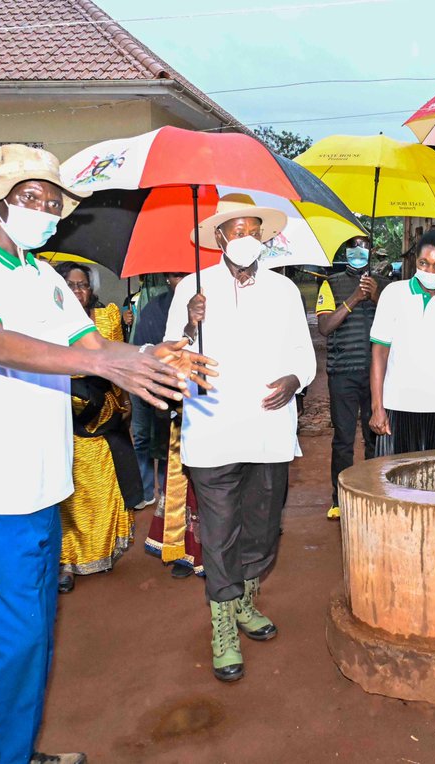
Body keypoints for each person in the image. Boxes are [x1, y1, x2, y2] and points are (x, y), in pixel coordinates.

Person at [0, 144, 215, 763]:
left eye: (54, 203)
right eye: (33, 198)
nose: (47, 211)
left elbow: (92, 340)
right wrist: (106, 361)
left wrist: (152, 353)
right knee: (12, 644)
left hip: (43, 485)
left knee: (38, 639)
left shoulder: (45, 276)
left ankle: (17, 751)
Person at [164, 193, 315, 683]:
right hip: (211, 430)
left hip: (269, 431)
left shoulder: (284, 291)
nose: (246, 238)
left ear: (264, 237)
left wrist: (295, 381)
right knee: (220, 529)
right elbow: (172, 361)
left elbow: (303, 354)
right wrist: (190, 321)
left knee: (263, 525)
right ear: (221, 237)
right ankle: (223, 626)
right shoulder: (193, 286)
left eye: (254, 229)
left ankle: (246, 603)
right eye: (237, 230)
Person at [54, 263, 143, 593]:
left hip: (104, 410)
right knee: (70, 490)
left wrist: (124, 404)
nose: (78, 292)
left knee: (105, 486)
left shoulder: (107, 317)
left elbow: (117, 364)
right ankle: (66, 561)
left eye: (83, 285)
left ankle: (99, 552)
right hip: (65, 409)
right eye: (70, 285)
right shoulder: (47, 320)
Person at [369, 228, 435, 454]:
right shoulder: (393, 294)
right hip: (398, 405)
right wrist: (377, 406)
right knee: (393, 483)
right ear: (415, 262)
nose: (429, 270)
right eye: (423, 263)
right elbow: (379, 353)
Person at [134, 273, 203, 579]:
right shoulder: (154, 311)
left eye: (184, 272)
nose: (179, 279)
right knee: (178, 483)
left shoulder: (214, 298)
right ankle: (180, 550)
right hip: (176, 409)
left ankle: (211, 549)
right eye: (173, 274)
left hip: (216, 406)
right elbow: (145, 359)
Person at [316, 235, 388, 521]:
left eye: (364, 247)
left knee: (376, 438)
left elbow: (400, 321)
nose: (358, 252)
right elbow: (324, 326)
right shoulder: (330, 283)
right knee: (344, 439)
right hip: (343, 372)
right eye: (353, 247)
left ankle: (373, 493)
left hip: (376, 374)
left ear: (372, 251)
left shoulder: (384, 285)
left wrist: (375, 296)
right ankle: (340, 498)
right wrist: (354, 298)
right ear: (345, 251)